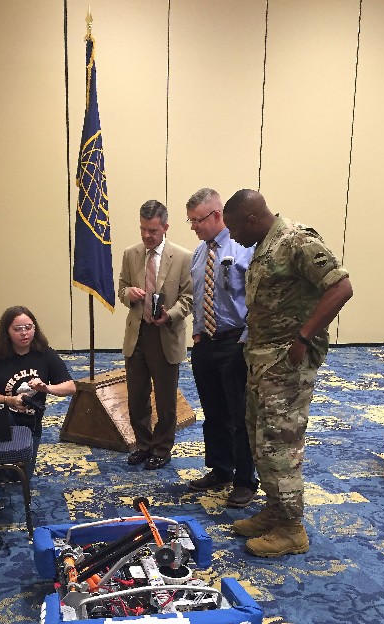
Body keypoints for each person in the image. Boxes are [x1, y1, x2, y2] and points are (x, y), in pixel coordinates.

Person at [223, 189, 353, 557]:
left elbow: (341, 287)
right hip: (263, 361)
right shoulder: (266, 244)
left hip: (287, 362)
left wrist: (303, 336)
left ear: (251, 218)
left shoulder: (296, 241)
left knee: (280, 443)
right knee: (260, 438)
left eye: (233, 227)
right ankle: (276, 512)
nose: (231, 236)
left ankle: (292, 530)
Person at [186, 188, 258, 507]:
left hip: (235, 341)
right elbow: (199, 298)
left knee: (240, 414)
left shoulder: (245, 247)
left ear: (216, 216)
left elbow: (254, 298)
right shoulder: (200, 252)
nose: (193, 227)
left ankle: (245, 479)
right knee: (213, 412)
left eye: (197, 220)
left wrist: (246, 339)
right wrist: (198, 332)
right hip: (206, 344)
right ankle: (220, 469)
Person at [118, 200, 193, 469]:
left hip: (166, 333)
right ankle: (143, 444)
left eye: (152, 230)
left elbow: (189, 298)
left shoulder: (183, 257)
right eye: (143, 229)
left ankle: (162, 448)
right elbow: (122, 289)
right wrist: (129, 294)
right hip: (137, 334)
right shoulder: (131, 254)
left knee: (165, 399)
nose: (147, 236)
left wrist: (170, 314)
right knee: (136, 397)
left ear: (165, 227)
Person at [0, 306, 75, 509]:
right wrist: (10, 400)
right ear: (7, 332)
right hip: (3, 418)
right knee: (1, 465)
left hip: (32, 420)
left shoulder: (45, 354)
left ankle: (8, 467)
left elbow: (71, 387)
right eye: (18, 329)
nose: (24, 333)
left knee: (21, 475)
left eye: (29, 327)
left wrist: (46, 388)